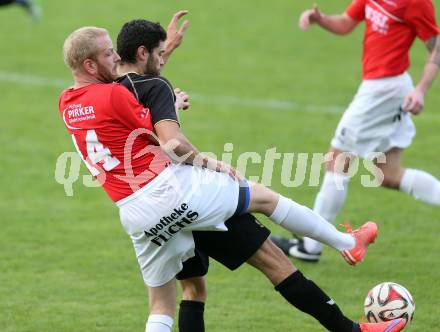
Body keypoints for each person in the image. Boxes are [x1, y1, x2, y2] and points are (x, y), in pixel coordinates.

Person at [58, 24, 404, 332]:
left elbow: (129, 90)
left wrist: (164, 58)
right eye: (108, 54)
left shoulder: (67, 103)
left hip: (136, 214)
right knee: (266, 210)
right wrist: (207, 160)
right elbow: (168, 139)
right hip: (178, 192)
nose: (115, 58)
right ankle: (347, 248)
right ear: (91, 64)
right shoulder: (117, 92)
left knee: (171, 299)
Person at [272, 0, 440, 262]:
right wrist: (322, 19)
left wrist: (421, 89)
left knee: (338, 161)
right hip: (383, 88)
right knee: (388, 173)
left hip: (383, 91)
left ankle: (310, 247)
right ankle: (310, 244)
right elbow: (347, 23)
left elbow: (435, 47)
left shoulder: (416, 2)